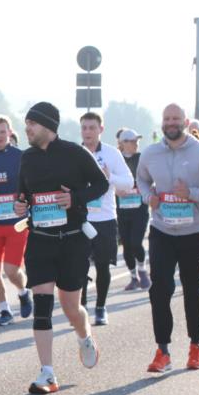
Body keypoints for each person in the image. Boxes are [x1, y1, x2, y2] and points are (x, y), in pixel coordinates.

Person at [12, 102, 106, 394]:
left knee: (70, 307)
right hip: (40, 240)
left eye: (32, 124)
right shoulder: (27, 158)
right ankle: (48, 374)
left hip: (72, 240)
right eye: (27, 123)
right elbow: (22, 194)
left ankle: (84, 335)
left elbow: (101, 185)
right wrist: (20, 205)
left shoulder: (74, 153)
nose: (27, 129)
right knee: (42, 306)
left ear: (48, 126)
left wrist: (75, 198)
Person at [137, 104, 199, 372]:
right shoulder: (151, 153)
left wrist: (191, 194)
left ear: (185, 122)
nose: (171, 122)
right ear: (162, 122)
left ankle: (195, 345)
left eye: (176, 118)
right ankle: (162, 351)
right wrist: (147, 197)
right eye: (167, 119)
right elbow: (141, 180)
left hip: (193, 232)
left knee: (192, 289)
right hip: (162, 230)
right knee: (159, 289)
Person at [78, 112, 135, 325]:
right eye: (84, 128)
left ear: (101, 129)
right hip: (81, 218)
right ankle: (81, 308)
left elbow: (128, 182)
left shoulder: (112, 153)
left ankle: (100, 307)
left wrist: (109, 176)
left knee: (103, 266)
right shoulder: (75, 153)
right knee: (79, 266)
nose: (88, 132)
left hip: (105, 219)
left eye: (92, 128)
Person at [0, 115, 33, 326]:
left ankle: (23, 291)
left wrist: (26, 202)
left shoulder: (22, 156)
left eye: (2, 132)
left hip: (17, 223)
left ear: (10, 132)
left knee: (11, 271)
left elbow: (32, 186)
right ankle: (4, 310)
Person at [116, 129, 151, 291]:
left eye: (137, 141)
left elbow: (151, 179)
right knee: (127, 246)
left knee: (136, 242)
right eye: (132, 141)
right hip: (122, 210)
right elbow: (107, 180)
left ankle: (142, 270)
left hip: (140, 208)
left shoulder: (142, 158)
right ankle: (133, 277)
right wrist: (116, 190)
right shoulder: (116, 159)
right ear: (123, 143)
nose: (136, 144)